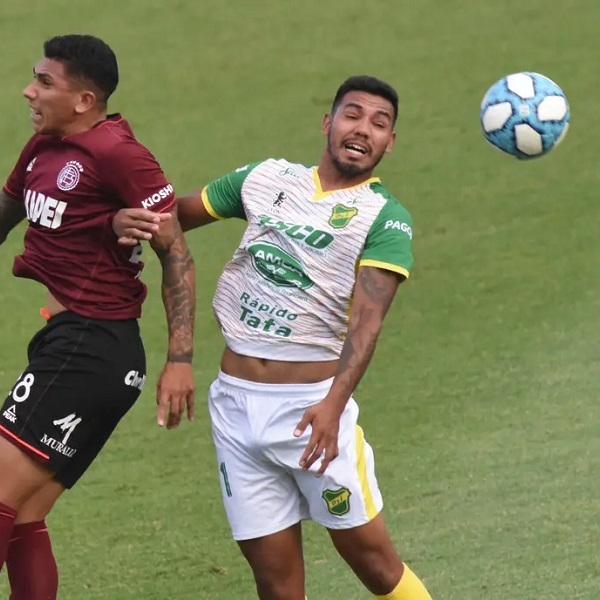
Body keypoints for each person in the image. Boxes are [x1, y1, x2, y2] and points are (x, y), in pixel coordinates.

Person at [0, 34, 196, 600]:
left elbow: (176, 254)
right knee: (23, 517)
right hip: (81, 346)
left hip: (90, 347)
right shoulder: (42, 148)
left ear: (84, 99)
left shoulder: (120, 155)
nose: (29, 91)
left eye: (45, 82)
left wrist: (181, 359)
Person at [112, 76, 433, 599]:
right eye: (353, 115)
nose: (363, 130)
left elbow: (367, 323)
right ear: (328, 122)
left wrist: (333, 406)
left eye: (380, 124)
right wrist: (121, 220)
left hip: (311, 410)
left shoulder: (385, 218)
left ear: (389, 143)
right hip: (235, 409)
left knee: (375, 565)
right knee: (276, 584)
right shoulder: (265, 178)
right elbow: (170, 220)